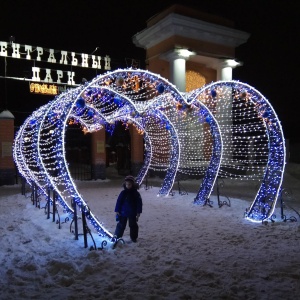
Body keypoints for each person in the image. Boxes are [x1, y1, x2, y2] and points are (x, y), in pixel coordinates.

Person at [114, 175, 143, 243]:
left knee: (133, 225)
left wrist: (138, 212)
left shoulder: (136, 193)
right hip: (123, 212)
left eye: (129, 184)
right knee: (121, 225)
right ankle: (117, 236)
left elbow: (139, 203)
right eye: (127, 184)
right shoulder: (123, 193)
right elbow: (119, 201)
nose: (128, 186)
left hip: (132, 213)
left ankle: (133, 237)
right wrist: (117, 210)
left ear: (132, 184)